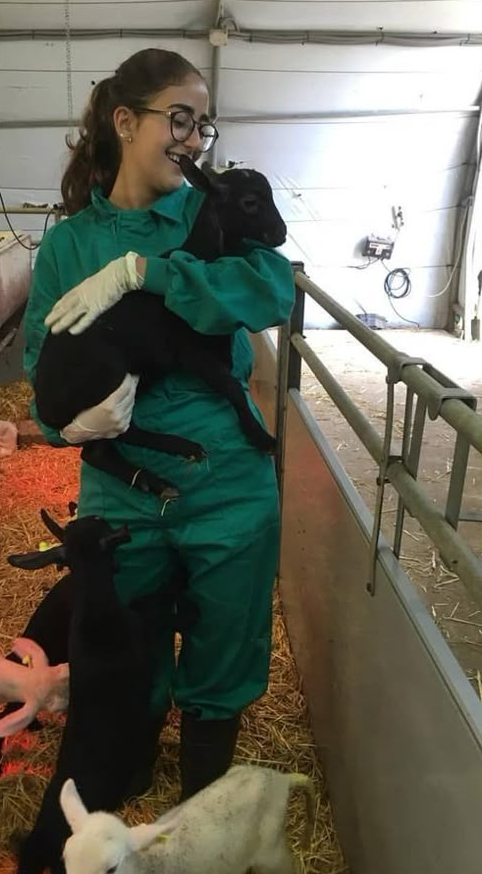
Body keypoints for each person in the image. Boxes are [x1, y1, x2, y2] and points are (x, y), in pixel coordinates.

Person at [24, 48, 295, 800]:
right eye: (179, 118)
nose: (194, 137)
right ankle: (126, 776)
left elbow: (270, 290)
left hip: (226, 479)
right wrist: (63, 429)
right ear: (124, 121)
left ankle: (204, 802)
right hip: (120, 490)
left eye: (202, 123)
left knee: (227, 640)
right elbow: (38, 360)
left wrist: (151, 272)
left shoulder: (213, 210)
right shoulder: (71, 242)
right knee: (127, 642)